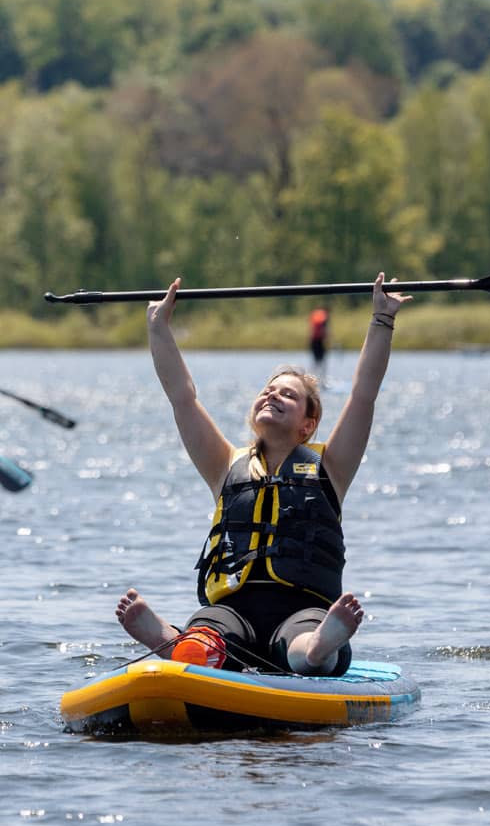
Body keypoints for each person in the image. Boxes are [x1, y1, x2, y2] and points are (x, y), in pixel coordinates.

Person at [114, 273, 411, 676]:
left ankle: (321, 645)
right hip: (232, 609)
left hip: (303, 608)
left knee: (301, 648)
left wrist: (382, 319)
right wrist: (157, 328)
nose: (273, 395)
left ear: (308, 424)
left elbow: (364, 394)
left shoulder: (332, 467)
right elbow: (182, 397)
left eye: (288, 395)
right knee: (206, 640)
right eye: (268, 391)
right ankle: (171, 640)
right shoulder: (225, 465)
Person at [308, 305, 330, 373]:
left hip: (313, 341)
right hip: (320, 341)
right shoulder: (325, 317)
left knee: (315, 361)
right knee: (322, 360)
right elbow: (325, 329)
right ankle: (322, 376)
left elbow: (311, 329)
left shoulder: (314, 315)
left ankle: (313, 375)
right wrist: (328, 338)